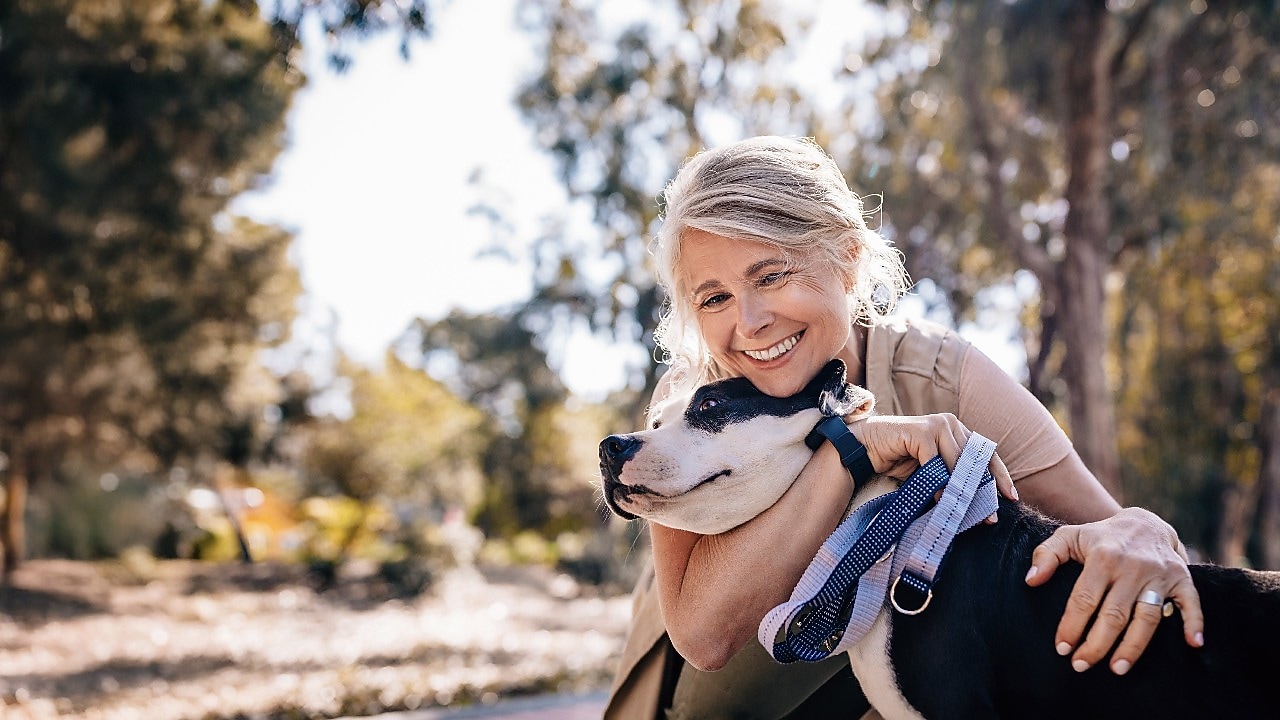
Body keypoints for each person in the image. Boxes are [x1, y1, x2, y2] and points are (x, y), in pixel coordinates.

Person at [602, 135, 1205, 720]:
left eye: (769, 276)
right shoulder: (687, 405)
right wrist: (850, 452)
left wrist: (1145, 532)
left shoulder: (945, 377)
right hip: (707, 700)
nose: (751, 322)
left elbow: (1108, 530)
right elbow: (706, 639)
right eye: (714, 299)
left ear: (845, 258)